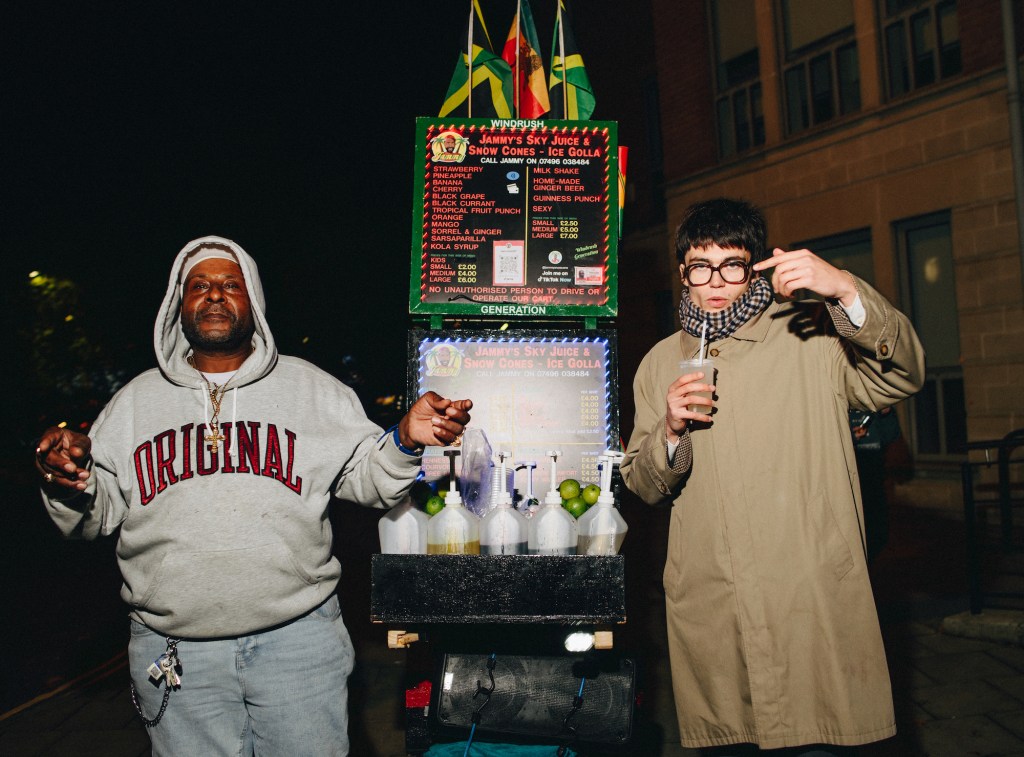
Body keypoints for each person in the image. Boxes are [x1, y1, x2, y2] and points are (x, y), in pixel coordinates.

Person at [34, 236, 472, 756]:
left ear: (253, 302)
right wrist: (68, 478)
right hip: (176, 652)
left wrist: (402, 439)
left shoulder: (312, 389)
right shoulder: (133, 403)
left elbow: (370, 480)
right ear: (179, 305)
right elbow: (94, 516)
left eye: (230, 284)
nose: (215, 295)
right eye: (200, 285)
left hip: (299, 641)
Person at [620, 198, 925, 756]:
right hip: (715, 605)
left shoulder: (814, 336)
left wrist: (846, 291)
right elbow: (641, 484)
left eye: (732, 265)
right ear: (682, 273)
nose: (715, 282)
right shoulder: (659, 362)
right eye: (699, 266)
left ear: (756, 265)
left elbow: (901, 374)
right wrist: (668, 432)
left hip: (807, 603)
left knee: (819, 738)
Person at [849, 405, 903, 562]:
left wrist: (886, 414)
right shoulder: (842, 406)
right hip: (853, 467)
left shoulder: (876, 405)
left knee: (877, 527)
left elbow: (892, 435)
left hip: (874, 467)